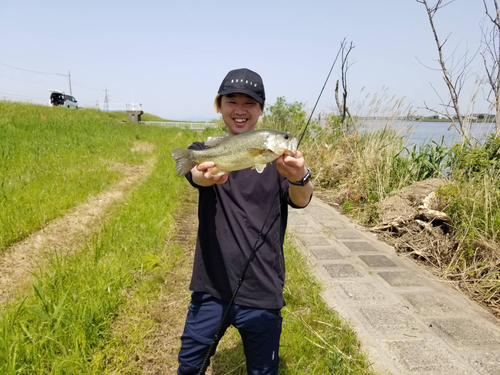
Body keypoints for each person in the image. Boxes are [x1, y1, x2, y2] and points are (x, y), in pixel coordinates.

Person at [177, 68, 314, 374]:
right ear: (220, 106)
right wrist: (207, 174)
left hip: (262, 288)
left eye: (249, 103)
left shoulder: (278, 162)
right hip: (211, 285)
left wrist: (300, 177)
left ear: (261, 110)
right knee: (189, 366)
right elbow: (197, 176)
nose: (240, 110)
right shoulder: (203, 151)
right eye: (232, 102)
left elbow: (301, 199)